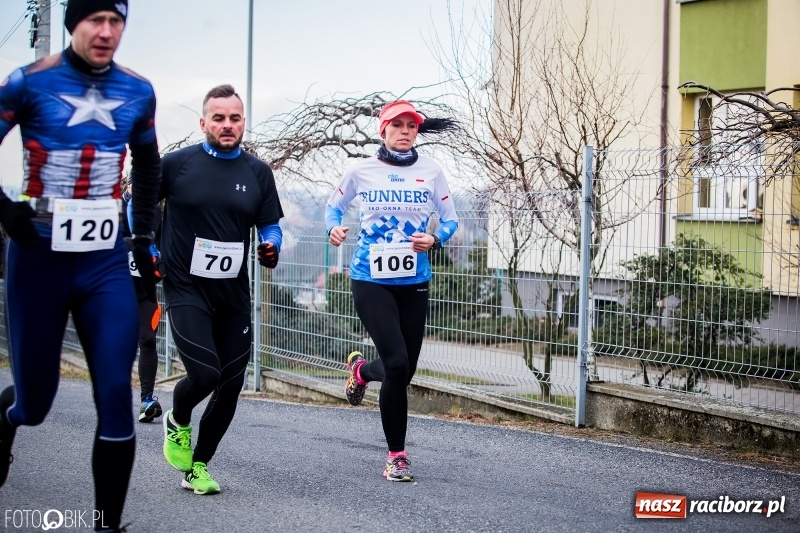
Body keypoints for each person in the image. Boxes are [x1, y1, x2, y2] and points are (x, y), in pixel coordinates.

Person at [0, 1, 161, 531]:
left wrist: (142, 236)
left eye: (116, 21)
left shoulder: (138, 90)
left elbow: (149, 162)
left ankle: (107, 525)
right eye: (95, 19)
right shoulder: (27, 82)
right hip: (38, 258)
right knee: (34, 405)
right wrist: (5, 210)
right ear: (74, 24)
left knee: (115, 389)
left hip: (103, 261)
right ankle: (7, 423)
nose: (107, 31)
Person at [159, 84, 284, 495]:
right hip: (185, 288)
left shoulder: (257, 172)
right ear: (203, 122)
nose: (227, 125)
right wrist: (146, 244)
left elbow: (270, 225)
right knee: (206, 373)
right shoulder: (176, 165)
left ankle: (198, 466)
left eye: (234, 118)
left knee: (230, 383)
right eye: (218, 118)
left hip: (232, 294)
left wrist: (272, 246)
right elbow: (138, 203)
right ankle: (178, 419)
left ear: (243, 122)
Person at [326, 101, 459, 482]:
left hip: (414, 279)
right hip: (370, 277)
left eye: (411, 126)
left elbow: (449, 220)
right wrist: (333, 229)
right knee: (397, 364)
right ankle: (396, 456)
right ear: (383, 130)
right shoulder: (360, 170)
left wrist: (433, 237)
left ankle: (362, 371)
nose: (405, 131)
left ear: (417, 132)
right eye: (397, 125)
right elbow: (332, 208)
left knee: (404, 370)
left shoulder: (431, 172)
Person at [122, 182, 165, 423]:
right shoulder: (118, 208)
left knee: (147, 340)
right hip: (115, 290)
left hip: (143, 292)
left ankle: (147, 400)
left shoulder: (159, 211)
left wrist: (160, 265)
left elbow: (164, 249)